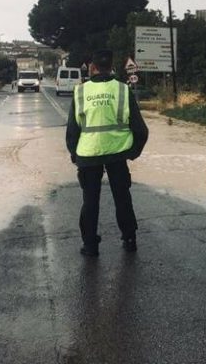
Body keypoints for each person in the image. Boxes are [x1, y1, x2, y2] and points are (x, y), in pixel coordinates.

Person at [66, 49, 148, 257]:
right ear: (112, 66)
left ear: (92, 67)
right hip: (117, 153)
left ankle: (90, 245)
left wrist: (75, 155)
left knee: (90, 201)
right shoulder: (122, 90)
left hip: (88, 154)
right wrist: (133, 152)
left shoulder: (80, 92)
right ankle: (129, 239)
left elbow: (72, 130)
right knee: (122, 197)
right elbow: (140, 129)